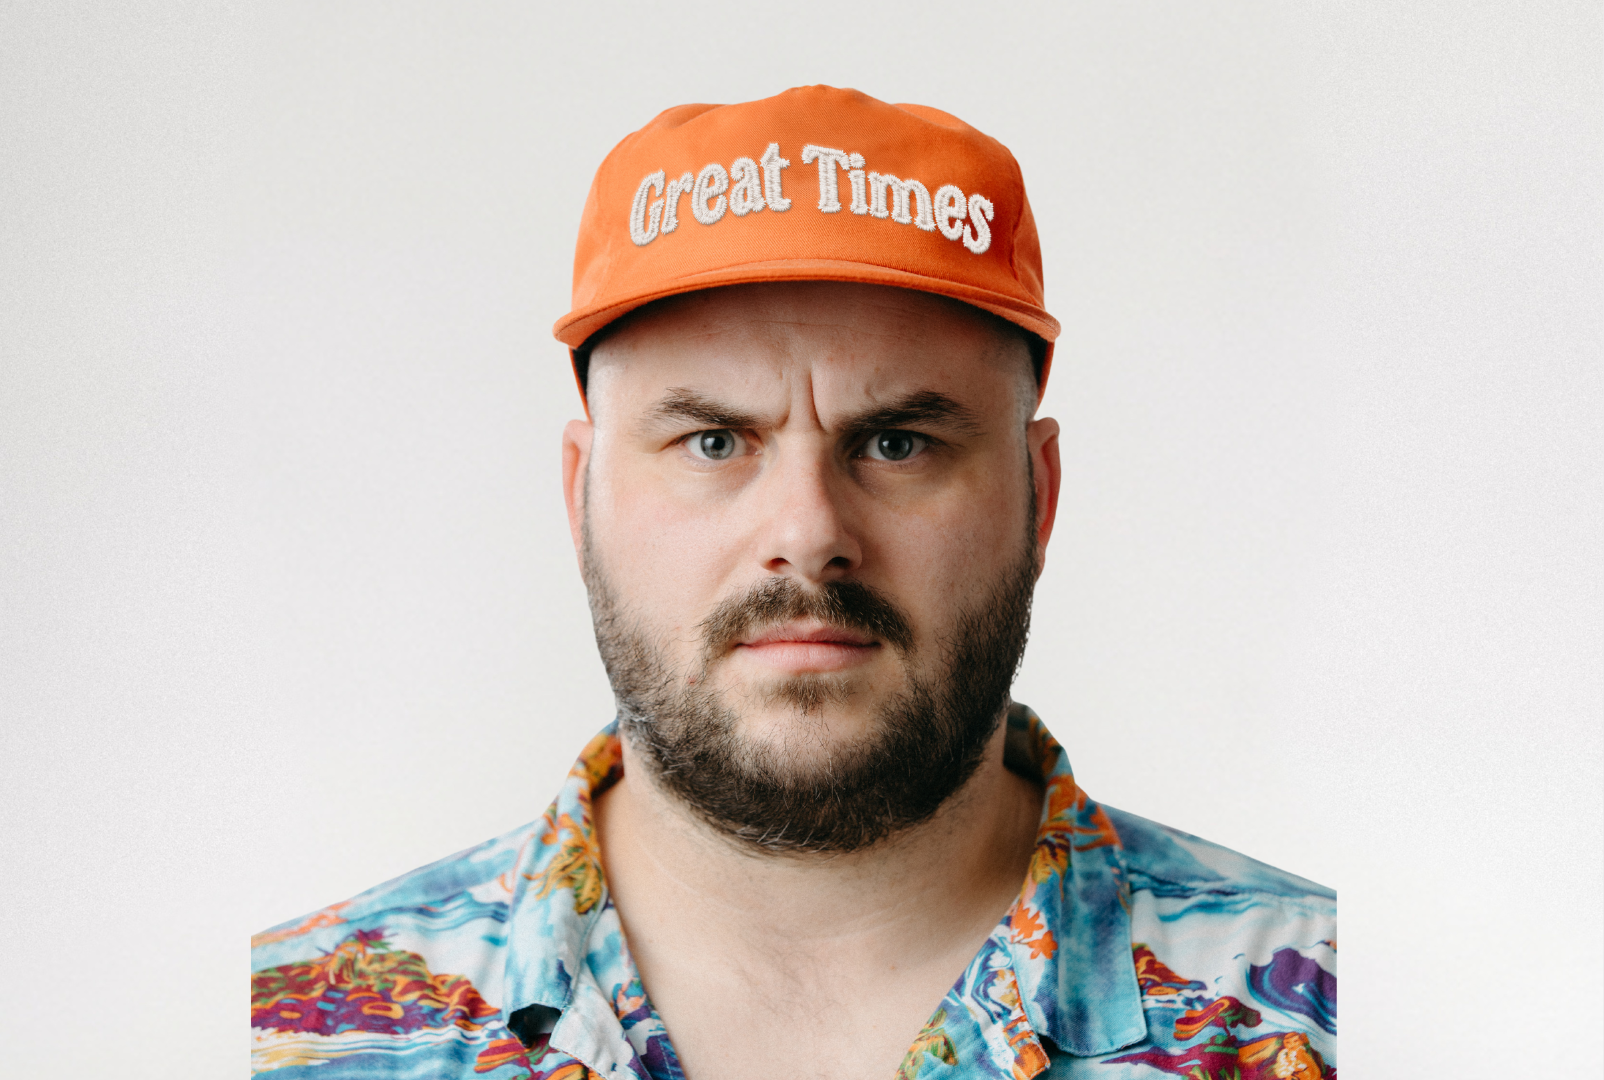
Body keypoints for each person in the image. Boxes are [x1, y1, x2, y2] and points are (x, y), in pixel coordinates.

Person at [251, 85, 1337, 1080]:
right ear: (581, 496)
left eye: (900, 442)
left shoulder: (1331, 1014)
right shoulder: (289, 1035)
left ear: (1036, 495)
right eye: (715, 441)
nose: (809, 533)